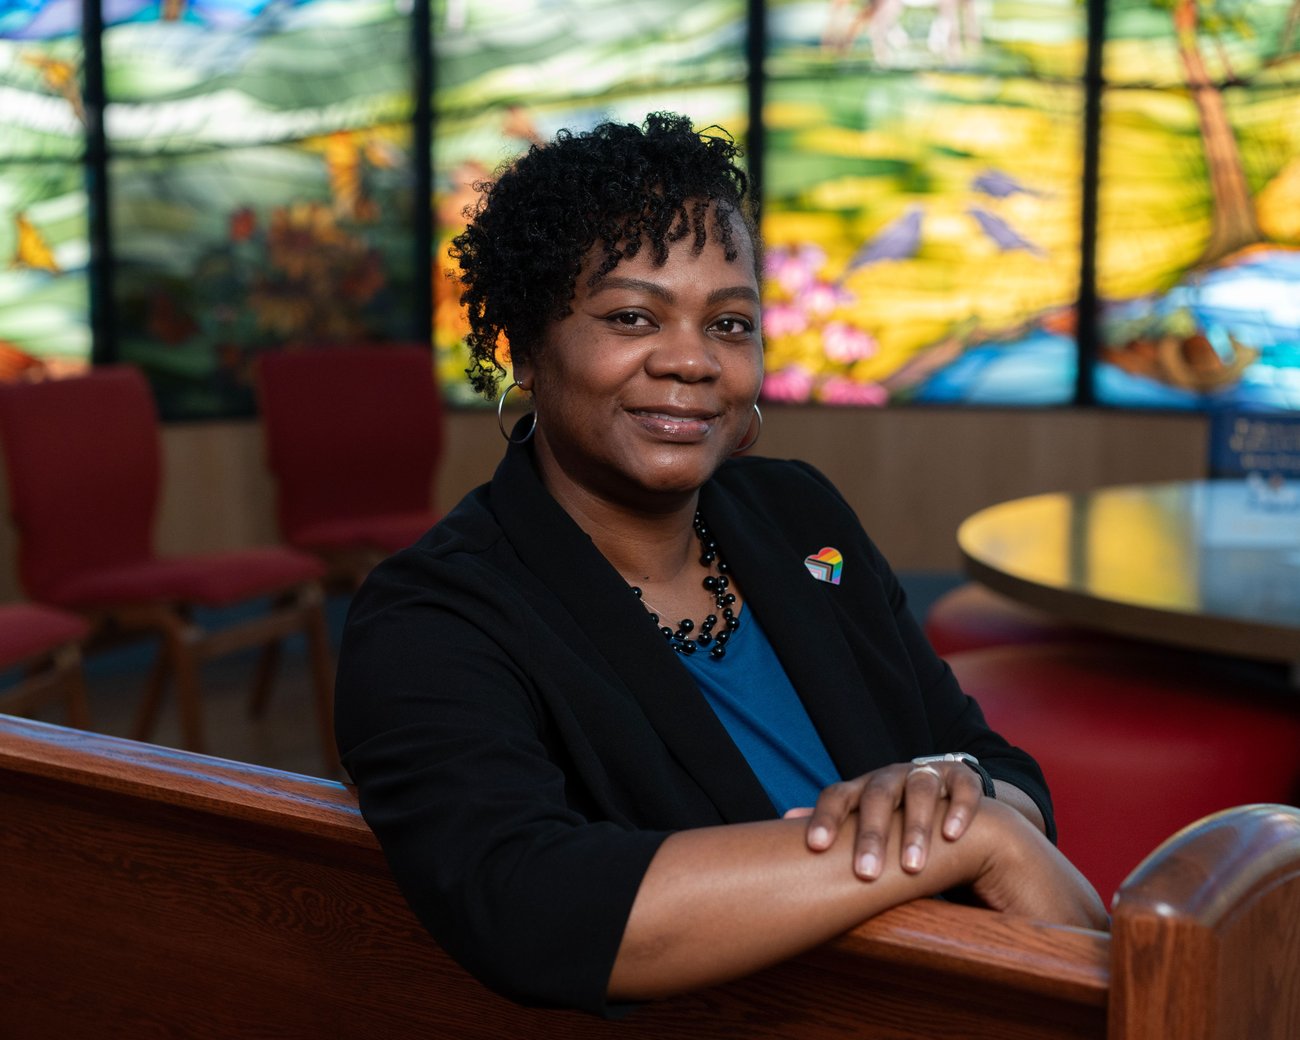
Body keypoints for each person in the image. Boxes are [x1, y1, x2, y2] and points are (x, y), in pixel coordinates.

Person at [334, 112, 1107, 1019]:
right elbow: (531, 904)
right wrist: (960, 841)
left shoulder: (801, 519)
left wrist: (968, 796)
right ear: (524, 347)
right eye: (632, 316)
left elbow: (993, 761)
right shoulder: (434, 618)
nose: (693, 361)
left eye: (729, 323)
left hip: (941, 992)